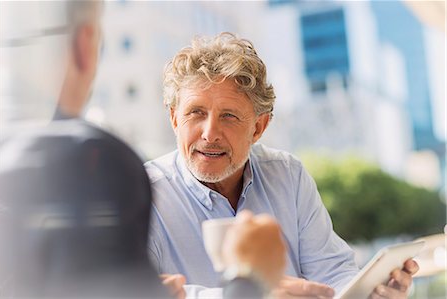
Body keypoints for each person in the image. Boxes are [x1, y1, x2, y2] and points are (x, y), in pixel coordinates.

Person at [0, 2, 287, 298]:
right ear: (84, 46)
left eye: (229, 116)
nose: (210, 133)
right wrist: (249, 277)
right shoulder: (93, 166)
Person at [145, 32, 420, 298]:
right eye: (196, 112)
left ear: (258, 127)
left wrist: (367, 291)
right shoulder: (142, 194)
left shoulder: (287, 174)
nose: (209, 133)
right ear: (174, 119)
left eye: (228, 116)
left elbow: (332, 271)